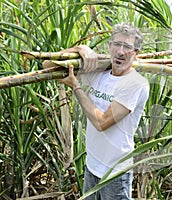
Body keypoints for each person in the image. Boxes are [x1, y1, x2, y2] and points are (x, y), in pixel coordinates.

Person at [59, 23, 149, 199]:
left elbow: (102, 122)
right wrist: (81, 49)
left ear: (136, 53)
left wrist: (77, 88)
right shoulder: (100, 74)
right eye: (117, 44)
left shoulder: (135, 84)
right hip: (91, 165)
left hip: (115, 173)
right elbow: (48, 65)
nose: (120, 51)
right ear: (109, 46)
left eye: (127, 47)